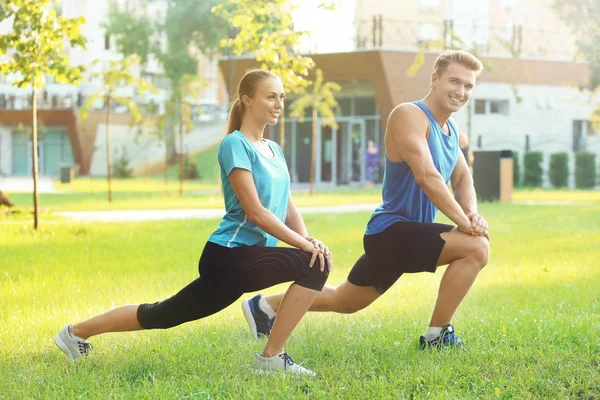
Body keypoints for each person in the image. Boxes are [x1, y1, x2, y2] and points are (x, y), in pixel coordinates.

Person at [54, 69, 333, 377]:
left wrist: (310, 242)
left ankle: (74, 332)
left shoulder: (274, 149)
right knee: (315, 265)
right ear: (247, 100)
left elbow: (287, 203)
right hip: (227, 256)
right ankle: (272, 357)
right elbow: (255, 212)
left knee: (163, 314)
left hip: (245, 259)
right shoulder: (234, 144)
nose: (278, 103)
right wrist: (306, 248)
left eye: (281, 97)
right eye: (270, 96)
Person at [241, 50, 490, 348]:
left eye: (468, 86)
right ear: (435, 79)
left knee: (346, 300)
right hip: (391, 232)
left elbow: (461, 178)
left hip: (407, 234)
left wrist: (472, 213)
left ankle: (263, 307)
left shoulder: (449, 131)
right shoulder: (409, 115)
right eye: (454, 81)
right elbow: (427, 176)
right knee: (476, 247)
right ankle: (437, 335)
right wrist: (465, 224)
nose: (461, 91)